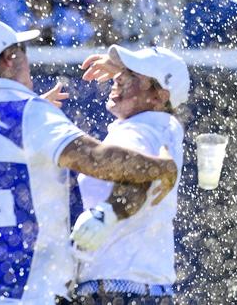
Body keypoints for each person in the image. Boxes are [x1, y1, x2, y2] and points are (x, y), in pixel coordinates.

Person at [0, 18, 179, 304]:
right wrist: (163, 167)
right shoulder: (30, 115)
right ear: (10, 58)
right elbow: (100, 160)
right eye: (23, 50)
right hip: (29, 291)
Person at [69, 45, 190, 304]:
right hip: (141, 288)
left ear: (159, 97)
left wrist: (108, 213)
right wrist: (130, 74)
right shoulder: (160, 125)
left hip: (121, 290)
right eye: (122, 71)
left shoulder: (144, 127)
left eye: (132, 75)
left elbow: (139, 174)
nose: (118, 77)